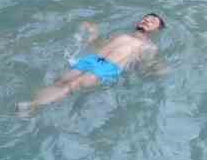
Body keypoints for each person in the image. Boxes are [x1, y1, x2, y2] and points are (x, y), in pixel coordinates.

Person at [19, 12, 167, 113]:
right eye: (145, 18)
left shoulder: (149, 47)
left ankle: (33, 106)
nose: (147, 20)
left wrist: (157, 69)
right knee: (61, 81)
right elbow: (99, 46)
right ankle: (32, 106)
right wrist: (94, 34)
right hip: (91, 60)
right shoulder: (121, 35)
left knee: (72, 86)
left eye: (152, 21)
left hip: (107, 68)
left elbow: (144, 66)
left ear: (157, 30)